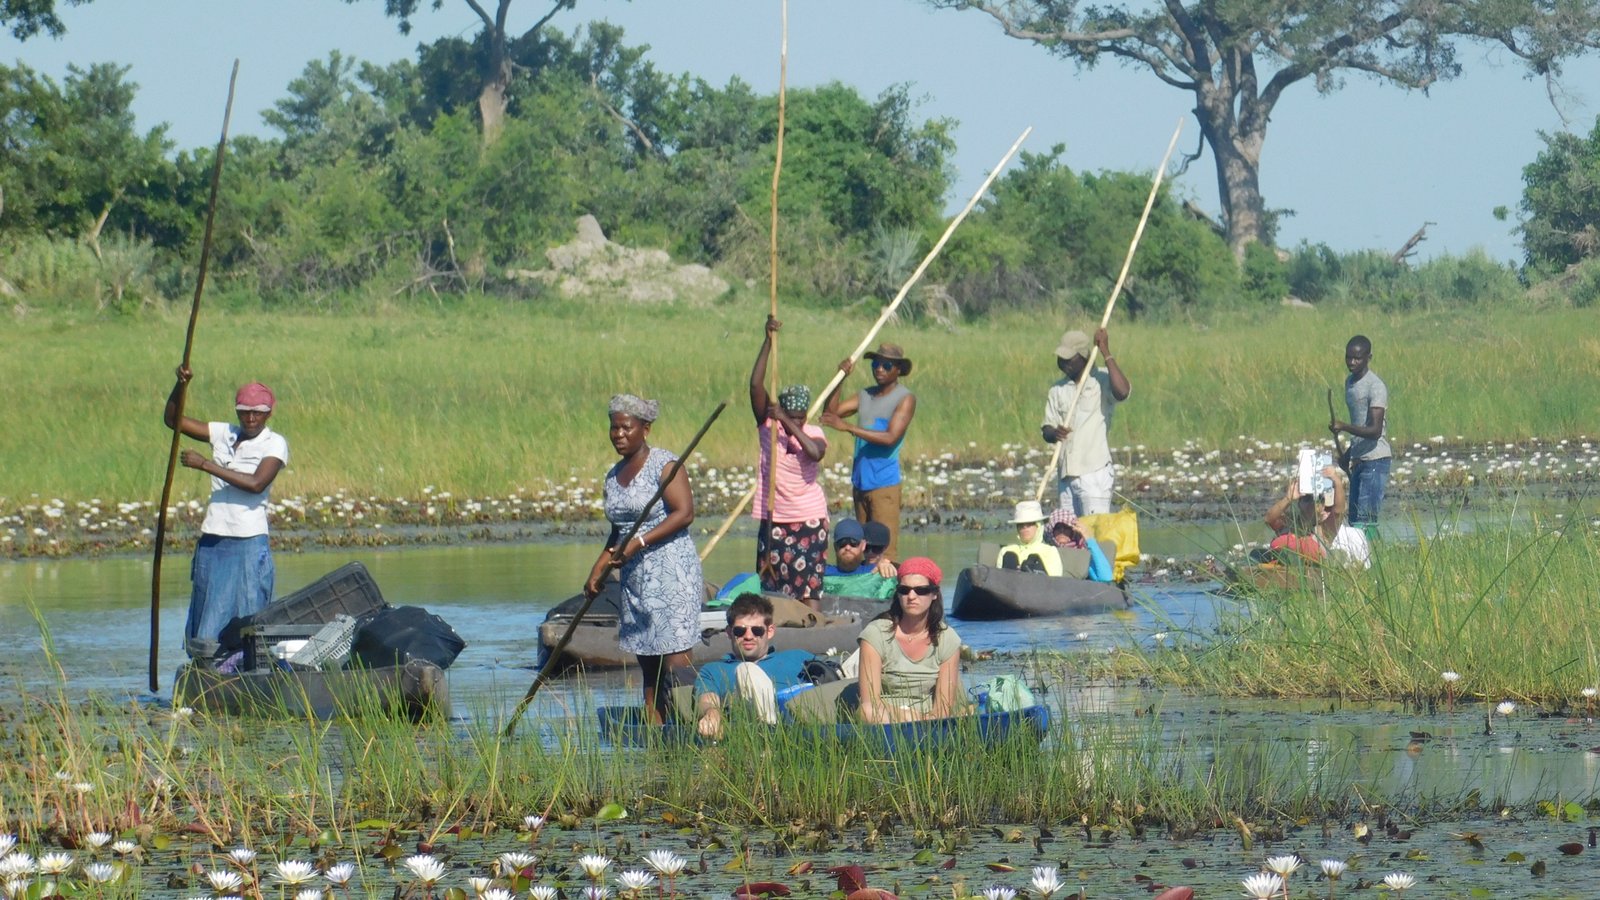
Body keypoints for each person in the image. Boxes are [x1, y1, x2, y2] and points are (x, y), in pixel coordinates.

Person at [584, 394, 703, 724]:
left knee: (675, 660)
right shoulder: (612, 476)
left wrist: (639, 541)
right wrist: (597, 572)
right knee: (648, 663)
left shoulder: (665, 465)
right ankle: (656, 735)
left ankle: (692, 727)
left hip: (671, 574)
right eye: (614, 428)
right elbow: (616, 534)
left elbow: (684, 513)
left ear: (645, 429)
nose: (618, 434)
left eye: (626, 427)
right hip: (635, 581)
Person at [162, 365, 289, 655]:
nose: (251, 418)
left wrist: (206, 464)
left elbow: (257, 484)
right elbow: (173, 420)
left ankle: (245, 675)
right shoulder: (223, 434)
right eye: (245, 411)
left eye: (258, 412)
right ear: (237, 411)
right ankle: (208, 673)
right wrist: (181, 385)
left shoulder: (275, 444)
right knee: (207, 618)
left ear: (269, 412)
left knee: (248, 618)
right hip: (213, 541)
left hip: (248, 542)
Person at [748, 316, 830, 606]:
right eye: (789, 416)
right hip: (775, 521)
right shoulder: (768, 429)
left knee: (809, 586)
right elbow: (755, 384)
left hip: (808, 520)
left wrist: (789, 422)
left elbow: (815, 452)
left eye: (800, 418)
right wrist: (768, 341)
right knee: (773, 585)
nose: (795, 422)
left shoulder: (813, 433)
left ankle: (814, 630)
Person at [821, 342, 917, 562]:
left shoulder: (905, 398)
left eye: (886, 365)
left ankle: (888, 592)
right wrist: (841, 378)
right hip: (860, 482)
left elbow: (891, 437)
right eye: (876, 364)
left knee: (884, 552)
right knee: (861, 550)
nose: (879, 369)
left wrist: (849, 428)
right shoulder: (865, 395)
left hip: (884, 485)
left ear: (898, 370)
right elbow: (831, 412)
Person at [692, 593, 816, 739]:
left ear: (769, 631)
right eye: (740, 631)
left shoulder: (798, 657)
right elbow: (706, 700)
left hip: (806, 724)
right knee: (746, 670)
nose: (749, 636)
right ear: (729, 632)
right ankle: (770, 729)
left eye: (757, 630)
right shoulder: (714, 670)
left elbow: (831, 681)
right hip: (759, 733)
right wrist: (712, 712)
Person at [856, 557, 963, 724]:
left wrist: (921, 719)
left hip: (927, 720)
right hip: (883, 718)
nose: (911, 596)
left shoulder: (947, 639)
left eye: (921, 590)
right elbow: (870, 701)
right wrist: (905, 716)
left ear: (934, 594)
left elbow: (942, 709)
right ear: (898, 593)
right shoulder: (876, 633)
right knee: (867, 711)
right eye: (905, 590)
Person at [1042, 328, 1130, 516]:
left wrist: (1105, 351)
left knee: (1094, 532)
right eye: (1061, 358)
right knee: (1070, 535)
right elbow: (1046, 429)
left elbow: (1122, 392)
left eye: (1069, 359)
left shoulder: (1103, 379)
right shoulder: (1057, 390)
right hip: (1066, 475)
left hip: (1094, 471)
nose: (1063, 363)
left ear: (1083, 357)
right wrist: (1054, 433)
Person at [1330, 334, 1391, 531]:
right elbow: (1360, 424)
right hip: (1358, 459)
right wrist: (1348, 454)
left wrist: (1344, 427)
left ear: (1368, 358)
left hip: (1375, 460)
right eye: (1348, 357)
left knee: (1366, 522)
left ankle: (1374, 560)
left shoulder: (1376, 386)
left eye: (1357, 358)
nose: (1352, 362)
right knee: (1354, 520)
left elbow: (1374, 431)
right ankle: (1359, 561)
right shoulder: (1350, 383)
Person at [822, 518, 895, 600]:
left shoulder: (877, 573)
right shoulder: (820, 573)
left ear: (863, 545)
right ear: (835, 547)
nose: (848, 547)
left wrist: (888, 565)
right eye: (842, 543)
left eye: (853, 543)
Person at [1316, 466, 1372, 569]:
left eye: (1329, 504)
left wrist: (1336, 481)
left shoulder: (1354, 535)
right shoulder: (1307, 528)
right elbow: (1276, 520)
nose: (1323, 507)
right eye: (1319, 501)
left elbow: (1338, 511)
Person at [1262, 478, 1327, 564]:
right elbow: (1269, 518)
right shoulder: (1289, 522)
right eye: (1306, 499)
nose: (1311, 504)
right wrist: (1288, 498)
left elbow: (1338, 509)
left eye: (1316, 500)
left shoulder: (1325, 527)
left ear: (1322, 506)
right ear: (1299, 503)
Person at [1047, 507, 1114, 583]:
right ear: (1052, 531)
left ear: (1073, 531)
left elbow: (1105, 577)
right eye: (1058, 528)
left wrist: (1088, 538)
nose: (1062, 531)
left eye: (1066, 528)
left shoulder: (1082, 553)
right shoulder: (1047, 551)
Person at [998, 500, 1063, 576]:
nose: (1024, 527)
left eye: (1029, 524)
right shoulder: (1006, 551)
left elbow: (1055, 584)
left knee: (1034, 560)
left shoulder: (1050, 552)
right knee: (1010, 558)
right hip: (1007, 586)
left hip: (1040, 587)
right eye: (1020, 525)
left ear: (1038, 526)